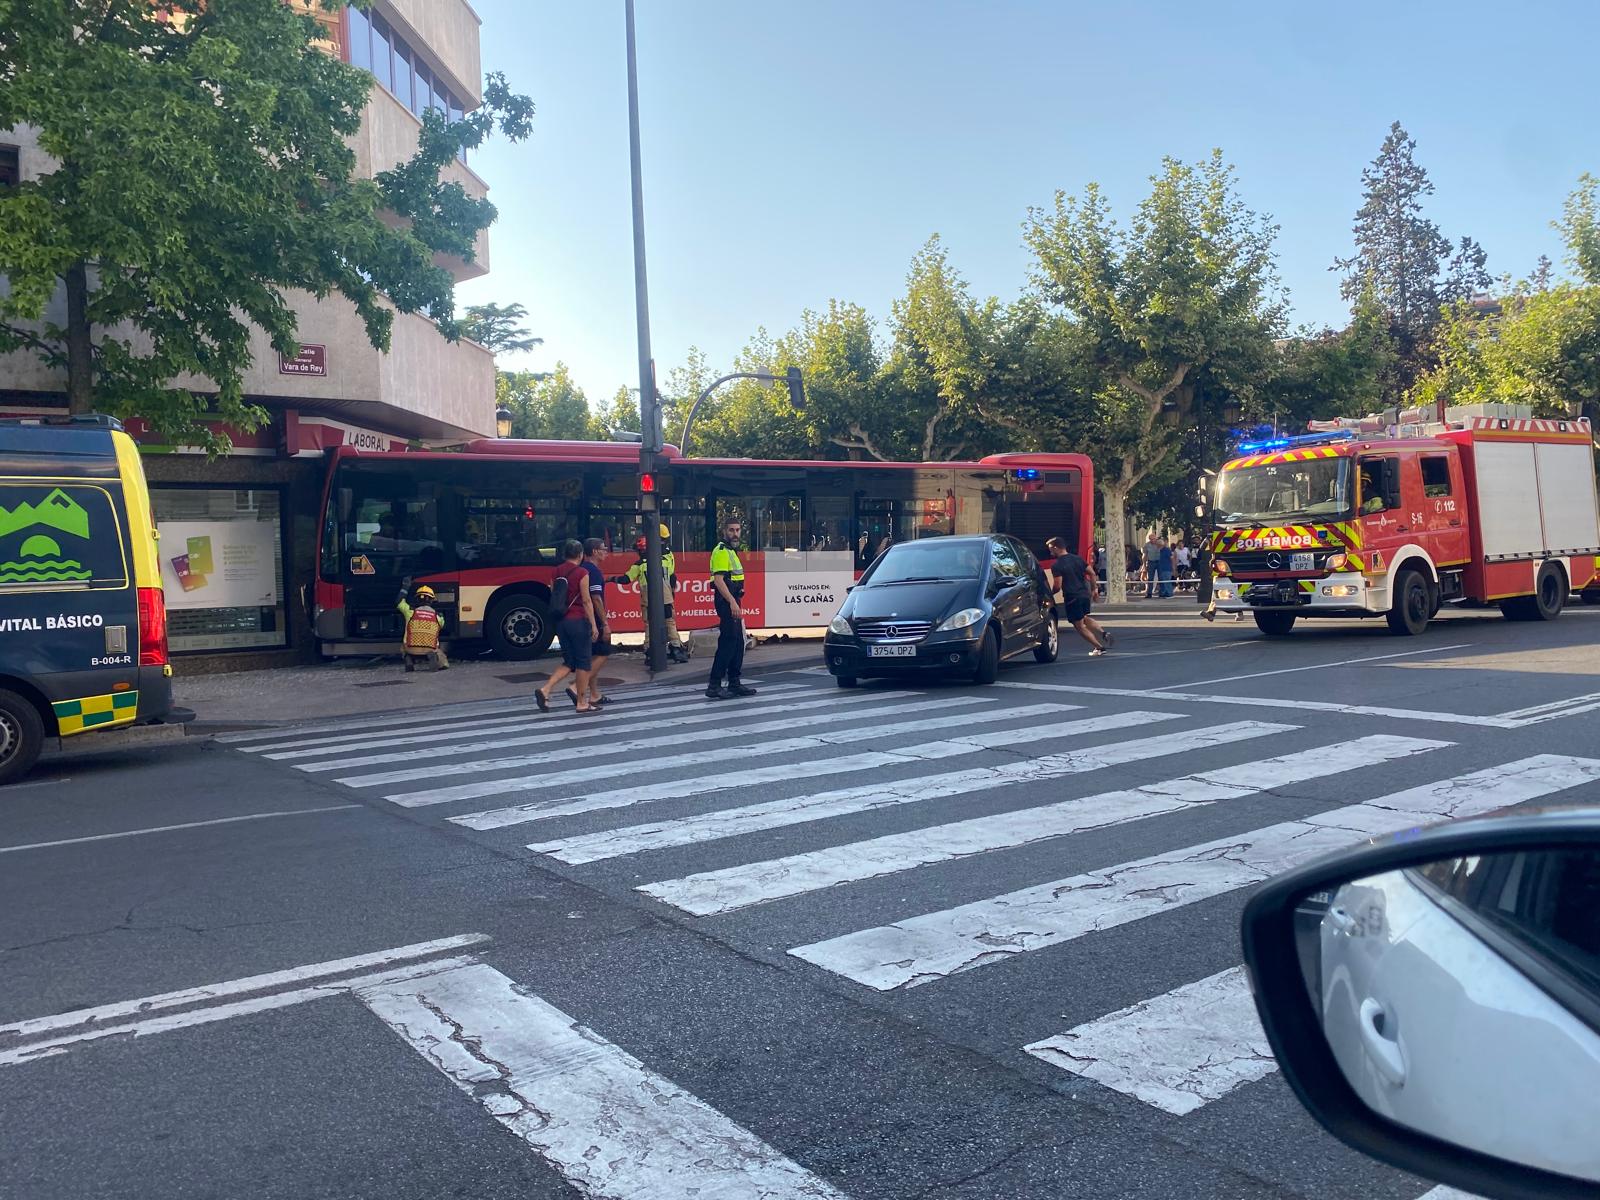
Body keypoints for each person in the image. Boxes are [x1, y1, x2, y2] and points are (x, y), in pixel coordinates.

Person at [535, 539, 600, 714]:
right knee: (583, 663)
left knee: (570, 661)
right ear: (580, 555)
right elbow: (586, 600)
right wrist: (594, 625)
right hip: (578, 621)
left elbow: (554, 593)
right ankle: (581, 702)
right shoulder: (582, 572)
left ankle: (546, 689)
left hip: (561, 622)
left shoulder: (555, 571)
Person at [612, 526, 689, 662]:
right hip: (666, 598)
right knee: (670, 623)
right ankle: (677, 649)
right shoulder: (667, 558)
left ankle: (650, 651)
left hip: (648, 601)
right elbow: (672, 577)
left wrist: (610, 579)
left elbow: (626, 579)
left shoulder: (639, 565)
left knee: (649, 624)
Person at [706, 518, 757, 700]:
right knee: (728, 642)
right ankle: (714, 684)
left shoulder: (731, 551)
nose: (735, 534)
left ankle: (734, 682)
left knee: (737, 642)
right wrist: (732, 603)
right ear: (724, 532)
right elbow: (719, 580)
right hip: (727, 601)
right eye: (731, 530)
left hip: (733, 600)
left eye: (737, 530)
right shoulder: (721, 551)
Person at [1045, 536, 1112, 656]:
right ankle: (1103, 633)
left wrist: (1049, 593)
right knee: (1084, 617)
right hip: (1084, 594)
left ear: (1056, 547)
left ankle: (1099, 647)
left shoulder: (1057, 565)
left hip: (1072, 596)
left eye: (1051, 548)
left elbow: (1057, 585)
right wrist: (1094, 589)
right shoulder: (1077, 559)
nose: (1050, 551)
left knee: (1079, 625)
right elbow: (1091, 573)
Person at [567, 538, 612, 708]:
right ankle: (576, 686)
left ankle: (594, 694)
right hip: (593, 618)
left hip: (582, 619)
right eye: (603, 548)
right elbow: (596, 598)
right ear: (594, 552)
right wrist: (604, 623)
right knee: (604, 652)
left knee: (593, 655)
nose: (606, 551)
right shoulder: (593, 571)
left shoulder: (581, 569)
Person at [396, 582, 449, 671]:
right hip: (430, 650)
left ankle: (408, 658)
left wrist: (405, 587)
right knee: (441, 657)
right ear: (432, 600)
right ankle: (437, 660)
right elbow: (441, 626)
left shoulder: (410, 612)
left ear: (417, 599)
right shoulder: (438, 617)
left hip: (411, 649)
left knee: (403, 647)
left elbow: (399, 602)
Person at [1142, 532, 1162, 599]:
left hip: (1159, 561)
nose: (1152, 540)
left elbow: (1164, 548)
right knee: (1150, 578)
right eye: (1151, 539)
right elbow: (1144, 556)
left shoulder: (1159, 543)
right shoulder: (1147, 545)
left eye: (1153, 539)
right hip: (1151, 562)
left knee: (1161, 577)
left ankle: (1161, 592)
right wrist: (1144, 566)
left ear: (1155, 538)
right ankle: (1149, 593)